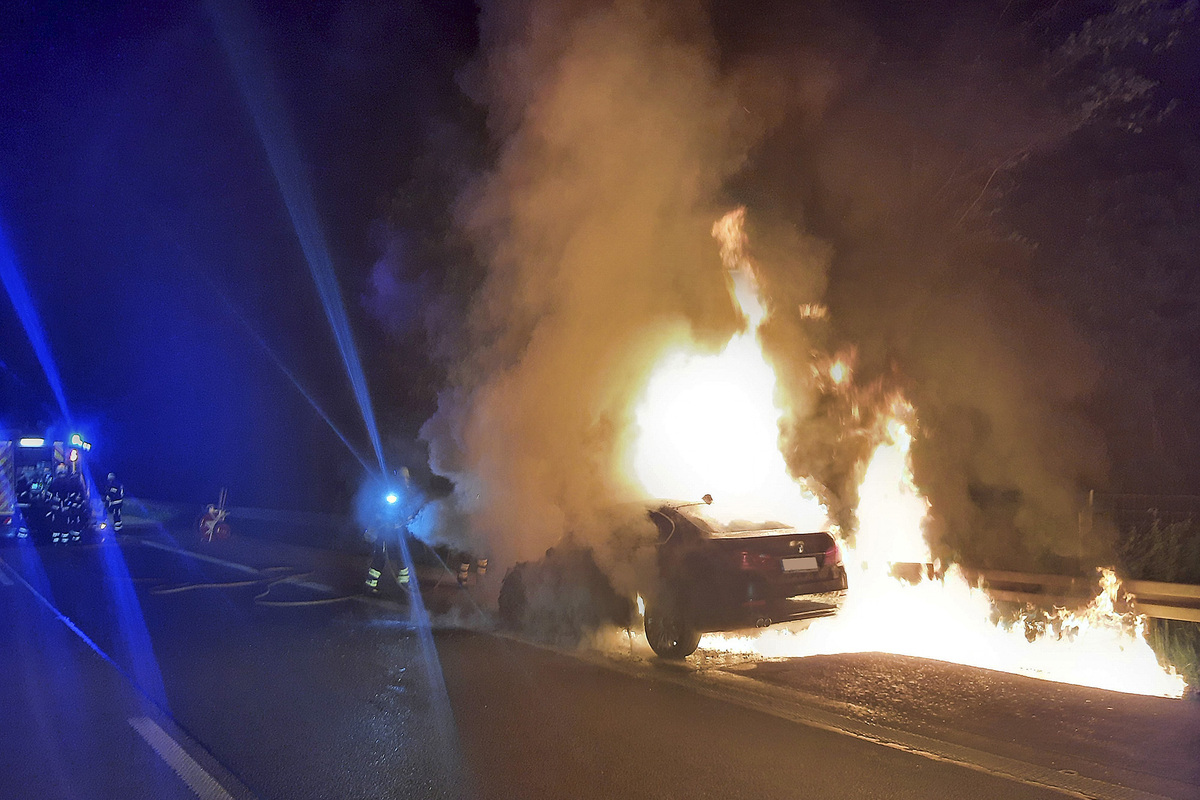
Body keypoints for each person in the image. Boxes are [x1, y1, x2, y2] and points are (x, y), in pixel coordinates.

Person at [363, 469, 421, 598]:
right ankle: (370, 585)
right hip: (384, 532)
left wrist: (408, 517)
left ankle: (404, 584)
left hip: (399, 532)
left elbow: (412, 511)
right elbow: (379, 510)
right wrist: (374, 527)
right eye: (402, 477)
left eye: (405, 478)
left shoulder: (409, 493)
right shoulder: (390, 491)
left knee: (402, 556)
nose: (404, 480)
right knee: (380, 557)